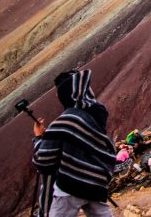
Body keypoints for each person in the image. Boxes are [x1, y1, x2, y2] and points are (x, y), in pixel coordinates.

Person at [32, 69, 117, 217]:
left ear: (64, 94)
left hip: (71, 187)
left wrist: (39, 138)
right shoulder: (96, 117)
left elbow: (43, 162)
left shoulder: (64, 122)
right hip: (97, 183)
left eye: (58, 92)